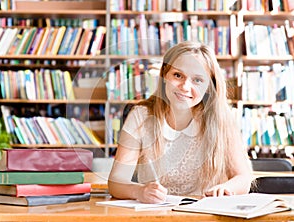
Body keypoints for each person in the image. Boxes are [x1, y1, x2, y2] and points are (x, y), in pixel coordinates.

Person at [108, 41, 253, 204]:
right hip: (154, 214)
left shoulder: (222, 118)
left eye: (197, 80)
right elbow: (116, 181)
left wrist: (227, 188)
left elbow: (243, 178)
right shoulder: (140, 116)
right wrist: (139, 191)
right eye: (178, 75)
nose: (185, 87)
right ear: (164, 76)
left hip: (205, 214)